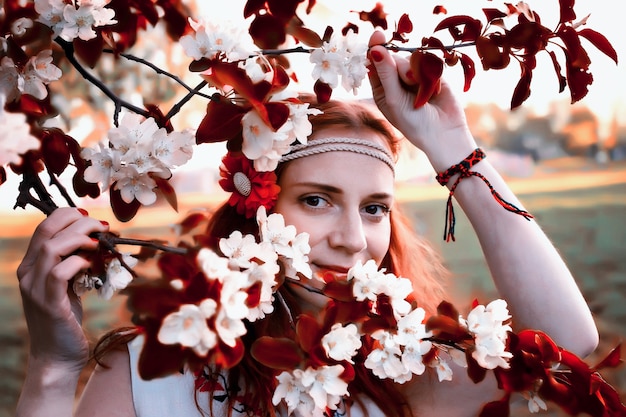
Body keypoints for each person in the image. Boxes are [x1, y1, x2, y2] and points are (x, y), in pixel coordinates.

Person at [15, 30, 599, 417]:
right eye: (317, 200)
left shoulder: (407, 367)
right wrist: (54, 367)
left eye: (374, 208)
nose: (351, 238)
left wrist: (455, 152)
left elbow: (566, 342)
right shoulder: (152, 370)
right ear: (258, 206)